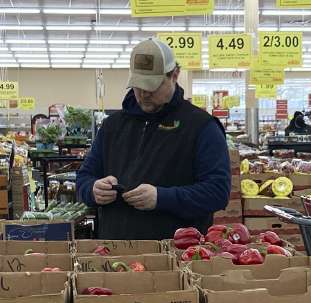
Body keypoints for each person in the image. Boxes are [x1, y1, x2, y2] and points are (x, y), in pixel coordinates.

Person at [76, 38, 231, 240]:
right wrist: (92, 189)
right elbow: (84, 178)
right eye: (138, 86)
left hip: (178, 257)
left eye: (152, 87)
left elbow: (218, 192)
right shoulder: (111, 126)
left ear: (175, 75)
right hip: (115, 254)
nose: (143, 94)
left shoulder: (202, 126)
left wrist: (162, 198)